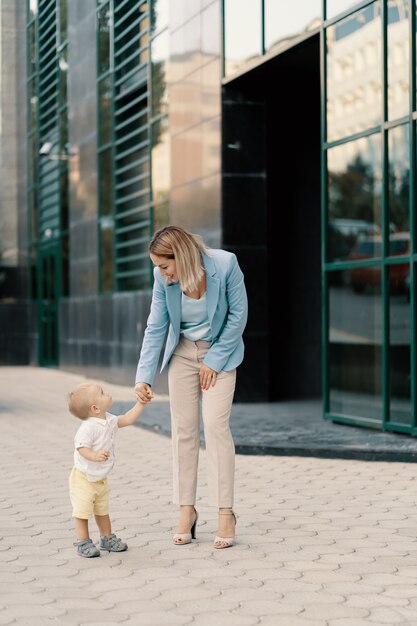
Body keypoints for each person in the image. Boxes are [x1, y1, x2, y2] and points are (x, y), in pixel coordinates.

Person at [135, 225, 248, 549]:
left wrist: (214, 360)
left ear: (181, 256)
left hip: (221, 354)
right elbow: (156, 326)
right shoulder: (162, 279)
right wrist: (143, 377)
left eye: (164, 265)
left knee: (215, 427)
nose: (160, 272)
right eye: (157, 266)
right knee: (184, 430)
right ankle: (187, 510)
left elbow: (238, 316)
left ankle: (225, 511)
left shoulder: (225, 265)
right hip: (182, 354)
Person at [67, 382, 149, 558]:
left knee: (102, 510)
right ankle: (83, 541)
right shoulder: (88, 427)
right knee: (82, 512)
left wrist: (141, 404)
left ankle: (106, 538)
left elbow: (127, 418)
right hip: (83, 478)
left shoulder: (109, 420)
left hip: (100, 478)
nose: (107, 393)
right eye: (102, 393)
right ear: (95, 408)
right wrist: (94, 456)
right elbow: (81, 448)